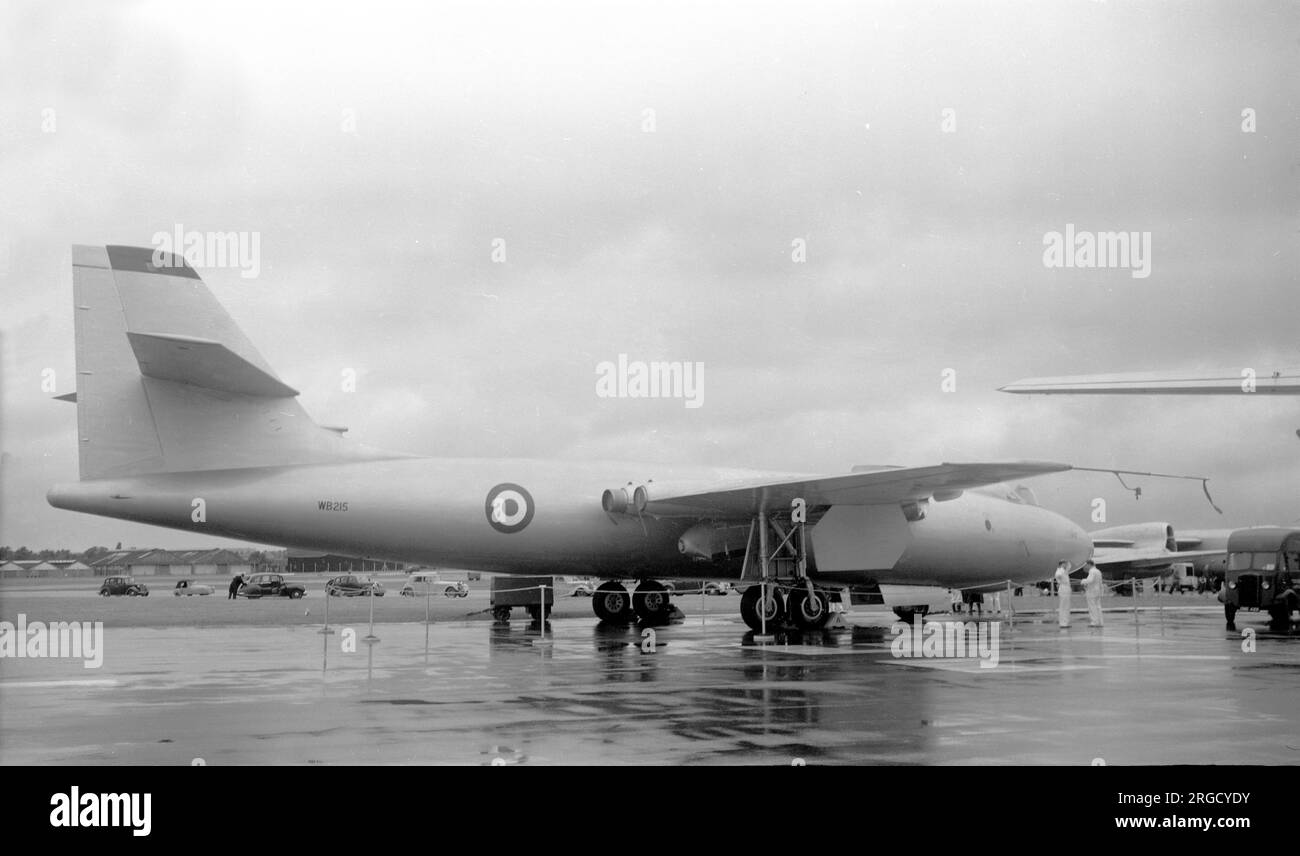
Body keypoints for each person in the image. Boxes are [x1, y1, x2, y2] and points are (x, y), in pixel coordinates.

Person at [1082, 560, 1104, 627]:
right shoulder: (1098, 571)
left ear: (1089, 564)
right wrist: (1101, 591)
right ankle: (1100, 622)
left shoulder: (1092, 571)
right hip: (1097, 591)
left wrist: (1083, 581)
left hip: (1092, 591)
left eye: (1086, 565)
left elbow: (1090, 580)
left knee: (1092, 607)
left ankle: (1094, 622)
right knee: (1098, 607)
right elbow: (1100, 583)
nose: (1085, 567)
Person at [1054, 561, 1072, 629]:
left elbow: (1068, 568)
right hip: (1063, 588)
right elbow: (1058, 575)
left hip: (1066, 588)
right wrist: (1065, 571)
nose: (1066, 565)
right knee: (1063, 606)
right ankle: (1063, 623)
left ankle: (1065, 622)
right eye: (1065, 564)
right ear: (1062, 564)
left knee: (1067, 606)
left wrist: (1067, 568)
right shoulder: (1059, 570)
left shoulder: (1064, 570)